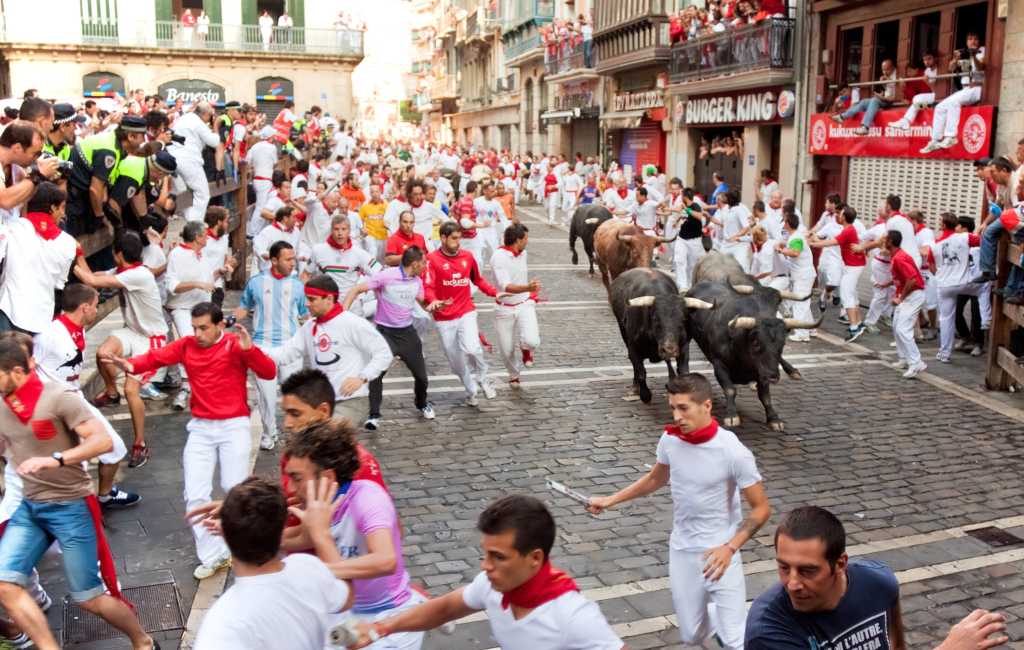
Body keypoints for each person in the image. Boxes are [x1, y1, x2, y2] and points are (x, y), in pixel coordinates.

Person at [587, 373, 769, 650]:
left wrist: (730, 548)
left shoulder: (733, 451)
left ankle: (730, 620)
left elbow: (761, 509)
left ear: (706, 406)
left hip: (721, 552)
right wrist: (609, 500)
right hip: (683, 550)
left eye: (683, 408)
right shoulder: (670, 440)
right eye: (673, 407)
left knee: (735, 641)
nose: (677, 416)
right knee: (691, 635)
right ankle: (716, 614)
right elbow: (654, 480)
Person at [0, 339, 157, 650]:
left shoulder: (59, 397)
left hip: (70, 506)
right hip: (31, 507)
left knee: (90, 598)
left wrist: (55, 459)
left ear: (17, 372)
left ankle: (143, 641)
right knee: (4, 584)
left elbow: (101, 442)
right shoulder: (4, 407)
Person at [101, 302, 277, 579]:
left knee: (235, 489)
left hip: (234, 426)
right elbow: (157, 357)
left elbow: (268, 372)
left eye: (204, 328)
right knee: (194, 494)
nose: (197, 333)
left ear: (220, 325)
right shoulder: (185, 345)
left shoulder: (235, 344)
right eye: (195, 327)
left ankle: (244, 544)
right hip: (201, 428)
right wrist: (131, 364)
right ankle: (213, 554)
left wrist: (250, 350)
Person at [349, 494, 623, 650]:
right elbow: (443, 609)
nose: (485, 565)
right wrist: (381, 628)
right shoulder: (491, 585)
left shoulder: (573, 617)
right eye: (486, 553)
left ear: (535, 558)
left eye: (498, 557)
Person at [745, 506, 1009, 650]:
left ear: (840, 564)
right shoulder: (768, 632)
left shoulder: (878, 582)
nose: (792, 583)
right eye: (783, 567)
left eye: (807, 570)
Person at [282, 419, 427, 650]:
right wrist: (235, 523)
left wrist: (316, 566)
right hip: (346, 613)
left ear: (328, 478)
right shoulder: (320, 503)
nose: (289, 487)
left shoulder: (367, 498)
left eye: (297, 478)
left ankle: (419, 602)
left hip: (388, 620)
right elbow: (294, 538)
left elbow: (385, 560)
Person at [191, 477, 353, 650]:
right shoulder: (309, 568)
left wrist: (233, 529)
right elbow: (347, 596)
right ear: (282, 526)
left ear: (227, 535)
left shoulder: (223, 622)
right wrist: (322, 533)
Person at [73, 231, 168, 469]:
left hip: (151, 340)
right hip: (132, 332)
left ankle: (139, 443)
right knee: (102, 353)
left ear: (118, 254)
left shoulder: (138, 275)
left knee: (132, 389)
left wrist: (73, 253)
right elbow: (92, 276)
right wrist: (78, 256)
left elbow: (91, 281)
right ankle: (111, 393)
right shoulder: (125, 271)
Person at [267, 274, 393, 426]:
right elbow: (285, 354)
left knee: (326, 436)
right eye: (306, 298)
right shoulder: (309, 327)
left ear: (329, 299)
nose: (306, 304)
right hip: (321, 402)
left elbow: (384, 353)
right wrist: (250, 351)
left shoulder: (352, 323)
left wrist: (362, 378)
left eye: (312, 299)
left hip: (351, 401)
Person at [343, 246, 436, 429]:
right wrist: (343, 314)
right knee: (376, 375)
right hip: (385, 334)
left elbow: (422, 303)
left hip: (408, 334)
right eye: (423, 263)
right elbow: (356, 289)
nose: (425, 266)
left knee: (422, 377)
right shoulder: (386, 276)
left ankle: (422, 403)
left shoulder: (417, 280)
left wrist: (433, 305)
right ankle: (374, 415)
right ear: (415, 263)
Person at [236, 241, 307, 451]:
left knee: (294, 395)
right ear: (274, 260)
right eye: (288, 259)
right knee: (266, 396)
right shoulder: (256, 283)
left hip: (290, 347)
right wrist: (231, 319)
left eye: (293, 258)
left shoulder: (297, 286)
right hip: (262, 348)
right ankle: (269, 434)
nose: (292, 263)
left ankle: (297, 434)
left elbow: (304, 314)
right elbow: (244, 307)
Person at [423, 222, 498, 406]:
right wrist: (433, 300)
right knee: (456, 363)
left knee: (472, 348)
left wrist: (494, 293)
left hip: (466, 311)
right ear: (443, 238)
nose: (458, 242)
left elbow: (478, 279)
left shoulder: (468, 256)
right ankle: (471, 390)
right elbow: (428, 286)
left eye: (460, 238)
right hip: (444, 318)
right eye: (454, 238)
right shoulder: (431, 260)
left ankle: (482, 376)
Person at [164, 221, 232, 411]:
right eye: (204, 234)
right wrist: (197, 284)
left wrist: (220, 272)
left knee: (213, 342)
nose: (207, 237)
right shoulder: (177, 255)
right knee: (190, 340)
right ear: (197, 237)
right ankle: (186, 386)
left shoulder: (202, 255)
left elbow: (207, 279)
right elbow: (173, 286)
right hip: (183, 308)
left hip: (203, 307)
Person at [0, 182, 77, 336]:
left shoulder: (10, 228)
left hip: (8, 310)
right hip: (41, 316)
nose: (63, 213)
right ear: (53, 208)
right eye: (62, 207)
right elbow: (59, 283)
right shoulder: (69, 244)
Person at [923, 212, 983, 363]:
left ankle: (944, 354)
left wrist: (943, 274)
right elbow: (984, 242)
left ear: (943, 225)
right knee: (983, 290)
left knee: (946, 319)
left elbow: (932, 268)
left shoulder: (935, 245)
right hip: (965, 282)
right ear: (955, 225)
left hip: (944, 285)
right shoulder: (965, 237)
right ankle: (983, 323)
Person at [490, 223, 541, 387]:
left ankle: (526, 349)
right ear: (518, 240)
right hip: (504, 308)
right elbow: (506, 286)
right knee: (506, 349)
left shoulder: (523, 253)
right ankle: (513, 374)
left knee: (532, 341)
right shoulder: (498, 257)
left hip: (525, 303)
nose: (528, 241)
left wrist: (528, 290)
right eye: (526, 238)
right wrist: (528, 287)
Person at [921, 33, 986, 153]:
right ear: (966, 42)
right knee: (940, 107)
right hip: (966, 89)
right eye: (970, 39)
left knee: (954, 102)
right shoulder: (964, 53)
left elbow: (981, 66)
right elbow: (951, 68)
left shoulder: (982, 51)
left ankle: (951, 136)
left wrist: (973, 55)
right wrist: (956, 58)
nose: (973, 41)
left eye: (976, 38)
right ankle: (935, 140)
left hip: (977, 88)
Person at [811, 206, 868, 342]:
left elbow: (831, 242)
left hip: (853, 267)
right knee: (852, 295)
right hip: (853, 266)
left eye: (840, 214)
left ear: (844, 217)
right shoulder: (848, 229)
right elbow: (829, 241)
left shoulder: (848, 230)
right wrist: (815, 240)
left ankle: (854, 328)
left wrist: (812, 243)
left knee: (846, 296)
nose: (838, 216)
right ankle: (859, 324)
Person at [310, 214, 381, 319]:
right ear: (331, 230)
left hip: (353, 309)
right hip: (327, 308)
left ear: (349, 231)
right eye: (336, 229)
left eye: (343, 229)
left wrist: (360, 289)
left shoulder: (359, 253)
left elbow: (380, 274)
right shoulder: (318, 250)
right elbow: (305, 276)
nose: (340, 233)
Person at [167, 102, 222, 223]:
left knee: (183, 193)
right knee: (202, 194)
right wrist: (216, 127)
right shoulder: (198, 122)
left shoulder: (185, 117)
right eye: (210, 115)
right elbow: (214, 142)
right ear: (206, 114)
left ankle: (190, 222)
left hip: (172, 158)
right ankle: (195, 225)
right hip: (188, 160)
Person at [886, 230, 928, 378]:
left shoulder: (900, 258)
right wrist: (887, 284)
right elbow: (902, 277)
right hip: (908, 295)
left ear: (890, 242)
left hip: (913, 296)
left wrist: (900, 298)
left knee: (903, 329)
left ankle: (916, 362)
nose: (883, 240)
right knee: (897, 326)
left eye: (885, 239)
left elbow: (912, 280)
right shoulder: (896, 256)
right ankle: (903, 358)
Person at [775, 210, 816, 342]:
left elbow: (795, 252)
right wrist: (781, 246)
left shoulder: (796, 238)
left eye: (783, 222)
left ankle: (802, 333)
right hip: (802, 274)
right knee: (803, 303)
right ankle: (810, 328)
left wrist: (782, 250)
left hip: (803, 275)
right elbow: (786, 244)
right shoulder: (794, 236)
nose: (782, 224)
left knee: (800, 303)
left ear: (787, 224)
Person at [832, 59, 897, 135]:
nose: (885, 72)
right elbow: (888, 90)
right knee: (864, 102)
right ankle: (842, 117)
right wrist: (882, 88)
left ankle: (865, 127)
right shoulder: (887, 76)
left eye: (887, 70)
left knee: (874, 100)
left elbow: (894, 95)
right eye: (883, 70)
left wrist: (882, 97)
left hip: (890, 101)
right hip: (884, 98)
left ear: (892, 67)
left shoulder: (898, 74)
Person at [891, 51, 938, 130]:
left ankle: (906, 121)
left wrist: (927, 82)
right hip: (928, 104)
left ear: (935, 59)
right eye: (924, 60)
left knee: (916, 99)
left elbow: (936, 91)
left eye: (929, 59)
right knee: (916, 104)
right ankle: (906, 121)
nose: (926, 62)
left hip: (939, 98)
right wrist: (903, 87)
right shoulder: (927, 71)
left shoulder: (940, 68)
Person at [246, 126, 280, 237]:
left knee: (262, 205)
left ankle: (257, 230)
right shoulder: (272, 147)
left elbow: (247, 161)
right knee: (261, 206)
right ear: (270, 136)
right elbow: (275, 162)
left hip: (256, 179)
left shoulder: (254, 147)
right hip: (266, 180)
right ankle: (252, 232)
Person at [253, 206, 301, 275]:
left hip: (290, 274)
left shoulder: (296, 231)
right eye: (294, 217)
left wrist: (300, 256)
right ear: (285, 219)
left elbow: (298, 250)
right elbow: (259, 251)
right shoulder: (268, 231)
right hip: (269, 273)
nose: (296, 220)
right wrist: (278, 258)